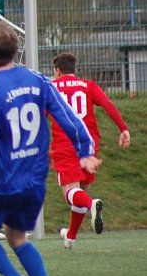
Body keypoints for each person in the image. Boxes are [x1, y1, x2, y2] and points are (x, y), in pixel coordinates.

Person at [0, 21, 101, 276]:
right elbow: (68, 118)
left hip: (1, 177)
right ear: (17, 50)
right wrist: (85, 152)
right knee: (17, 236)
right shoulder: (40, 80)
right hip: (35, 177)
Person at [50, 52, 131, 249]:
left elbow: (39, 115)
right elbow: (107, 104)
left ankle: (91, 204)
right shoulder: (88, 85)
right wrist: (123, 128)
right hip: (89, 145)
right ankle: (70, 237)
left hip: (65, 143)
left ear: (57, 71)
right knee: (79, 192)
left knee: (71, 192)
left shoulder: (52, 88)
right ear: (74, 70)